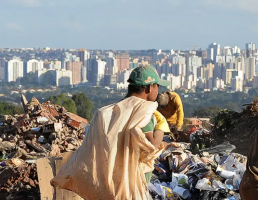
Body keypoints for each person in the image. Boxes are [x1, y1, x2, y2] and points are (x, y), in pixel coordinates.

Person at [51, 65, 170, 200]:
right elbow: (152, 145)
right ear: (149, 87)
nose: (158, 91)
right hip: (131, 185)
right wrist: (161, 126)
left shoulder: (110, 112)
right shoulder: (143, 112)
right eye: (157, 86)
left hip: (108, 183)